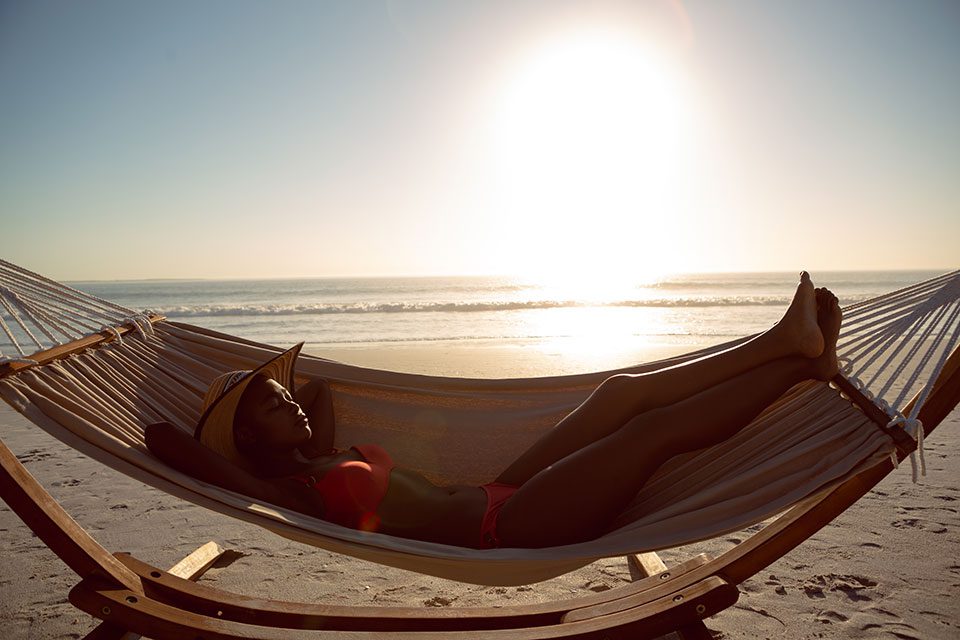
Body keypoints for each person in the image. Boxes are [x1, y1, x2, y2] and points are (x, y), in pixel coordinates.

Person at [146, 272, 842, 549]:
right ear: (245, 439)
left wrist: (273, 401)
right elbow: (166, 442)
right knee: (649, 431)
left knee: (620, 394)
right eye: (271, 407)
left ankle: (778, 344)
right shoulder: (284, 489)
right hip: (506, 528)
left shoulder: (319, 451)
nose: (292, 404)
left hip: (498, 490)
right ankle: (801, 367)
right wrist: (201, 406)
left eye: (281, 393)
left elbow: (319, 392)